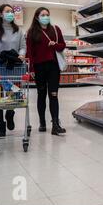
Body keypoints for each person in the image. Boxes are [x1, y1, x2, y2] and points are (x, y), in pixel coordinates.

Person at [0, 4, 26, 137]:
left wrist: (22, 54)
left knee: (13, 94)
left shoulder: (18, 31)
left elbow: (23, 46)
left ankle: (10, 113)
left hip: (13, 69)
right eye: (7, 11)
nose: (10, 13)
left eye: (12, 12)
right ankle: (0, 124)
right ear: (0, 14)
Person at [26, 7, 67, 135]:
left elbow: (62, 46)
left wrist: (54, 45)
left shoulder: (55, 29)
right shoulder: (32, 32)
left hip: (54, 67)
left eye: (47, 14)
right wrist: (31, 68)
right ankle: (42, 122)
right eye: (43, 15)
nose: (46, 17)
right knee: (41, 94)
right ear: (37, 17)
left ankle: (55, 124)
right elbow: (29, 52)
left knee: (53, 95)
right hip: (39, 67)